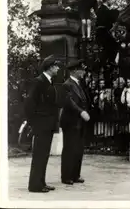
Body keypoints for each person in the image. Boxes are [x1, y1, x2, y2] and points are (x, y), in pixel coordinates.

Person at [24, 55, 62, 193]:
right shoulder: (39, 82)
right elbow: (29, 104)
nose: (58, 68)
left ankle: (41, 182)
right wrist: (33, 123)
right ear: (50, 67)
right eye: (56, 66)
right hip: (41, 125)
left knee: (44, 155)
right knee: (39, 155)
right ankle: (35, 185)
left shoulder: (48, 81)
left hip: (47, 124)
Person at [60, 60, 91, 185]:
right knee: (69, 149)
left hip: (79, 123)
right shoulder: (67, 84)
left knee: (78, 149)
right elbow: (68, 102)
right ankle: (66, 176)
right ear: (74, 71)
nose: (83, 72)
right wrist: (81, 112)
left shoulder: (78, 84)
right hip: (71, 122)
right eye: (81, 70)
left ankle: (75, 174)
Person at [96, 0, 119, 69]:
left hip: (100, 33)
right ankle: (110, 61)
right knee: (115, 45)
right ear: (107, 0)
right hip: (103, 32)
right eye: (111, 0)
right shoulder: (105, 10)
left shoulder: (100, 9)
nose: (111, 1)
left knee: (107, 48)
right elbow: (112, 19)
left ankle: (107, 61)